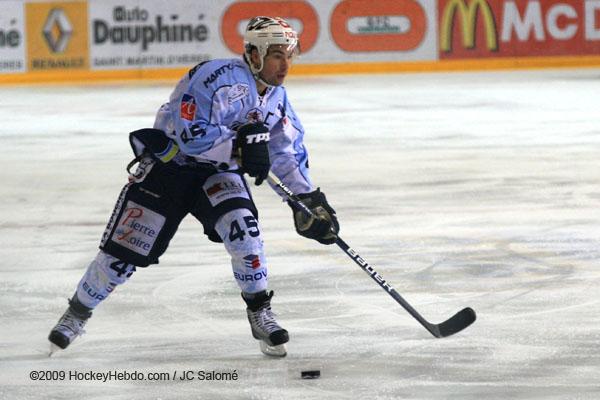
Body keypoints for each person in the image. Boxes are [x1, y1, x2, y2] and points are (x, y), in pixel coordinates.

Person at [48, 16, 339, 357]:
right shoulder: (215, 77)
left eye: (290, 54)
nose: (285, 64)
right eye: (276, 54)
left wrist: (306, 199)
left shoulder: (277, 100)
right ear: (254, 54)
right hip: (170, 168)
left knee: (244, 232)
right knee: (123, 254)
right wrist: (242, 147)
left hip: (217, 175)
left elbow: (284, 153)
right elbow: (191, 138)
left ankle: (260, 311)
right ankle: (77, 312)